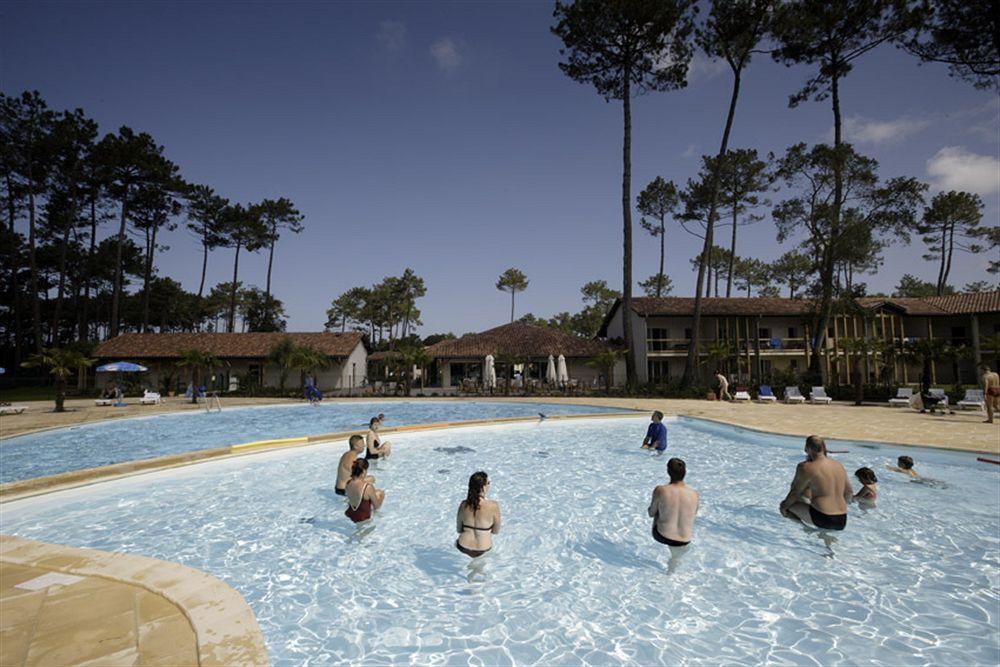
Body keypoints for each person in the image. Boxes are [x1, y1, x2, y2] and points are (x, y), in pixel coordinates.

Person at [779, 435, 852, 530]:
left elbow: (794, 493)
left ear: (806, 448)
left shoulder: (806, 467)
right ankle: (827, 538)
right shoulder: (839, 466)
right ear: (824, 448)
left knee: (787, 505)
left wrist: (783, 508)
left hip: (823, 518)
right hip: (842, 520)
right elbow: (849, 493)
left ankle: (807, 529)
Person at [648, 458, 699, 547]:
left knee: (659, 509)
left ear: (668, 471)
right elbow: (694, 514)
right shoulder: (694, 494)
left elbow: (651, 513)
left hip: (662, 536)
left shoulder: (661, 490)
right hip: (685, 540)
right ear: (685, 472)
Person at [455, 471, 501, 557]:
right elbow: (495, 531)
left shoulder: (463, 504)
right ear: (483, 487)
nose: (489, 485)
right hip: (483, 548)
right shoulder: (493, 506)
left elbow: (459, 530)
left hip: (463, 546)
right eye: (488, 483)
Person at [344, 459, 384, 523]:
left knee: (375, 492)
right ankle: (376, 515)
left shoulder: (348, 483)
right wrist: (382, 497)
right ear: (364, 471)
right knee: (379, 493)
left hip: (351, 514)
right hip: (363, 518)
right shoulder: (367, 487)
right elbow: (377, 506)